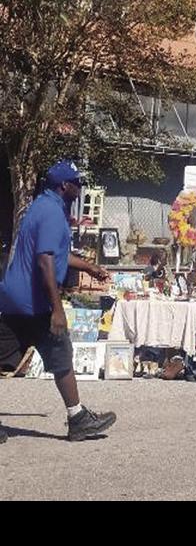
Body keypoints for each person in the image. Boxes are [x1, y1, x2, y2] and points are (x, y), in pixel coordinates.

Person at [0, 160, 118, 444]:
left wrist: (88, 267)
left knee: (3, 359)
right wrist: (56, 309)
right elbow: (45, 261)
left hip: (13, 298)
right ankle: (77, 419)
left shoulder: (43, 206)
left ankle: (77, 418)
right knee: (61, 356)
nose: (80, 187)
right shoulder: (52, 212)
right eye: (77, 183)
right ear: (64, 185)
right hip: (35, 302)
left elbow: (55, 255)